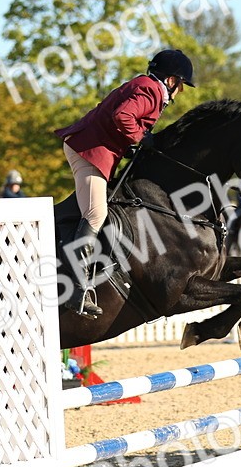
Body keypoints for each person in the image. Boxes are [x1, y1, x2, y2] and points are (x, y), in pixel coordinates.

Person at [52, 48, 195, 318]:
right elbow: (122, 116)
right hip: (90, 151)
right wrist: (140, 137)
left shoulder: (146, 86)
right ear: (172, 80)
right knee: (96, 215)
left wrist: (129, 142)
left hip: (94, 148)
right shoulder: (151, 89)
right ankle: (76, 290)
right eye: (181, 85)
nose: (180, 92)